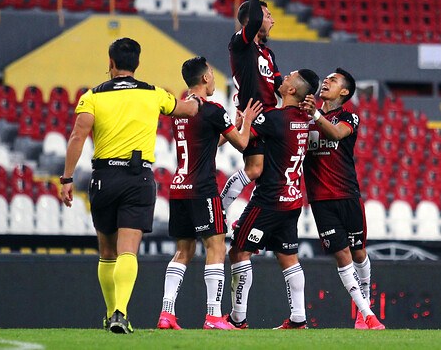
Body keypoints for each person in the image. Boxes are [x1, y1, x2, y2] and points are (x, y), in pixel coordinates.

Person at [59, 37, 201, 334]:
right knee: (127, 251)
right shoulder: (153, 93)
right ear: (136, 64)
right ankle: (121, 313)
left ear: (111, 63)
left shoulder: (93, 96)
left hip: (104, 178)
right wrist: (199, 95)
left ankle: (111, 312)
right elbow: (188, 111)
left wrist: (68, 178)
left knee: (107, 251)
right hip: (138, 179)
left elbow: (77, 136)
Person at [156, 56, 262, 330]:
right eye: (212, 74)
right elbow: (242, 143)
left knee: (183, 251)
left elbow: (205, 142)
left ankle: (166, 313)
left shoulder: (180, 110)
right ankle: (214, 316)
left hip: (178, 188)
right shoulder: (214, 109)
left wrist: (231, 128)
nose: (214, 79)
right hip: (203, 188)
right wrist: (246, 122)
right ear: (204, 78)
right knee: (215, 247)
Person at [225, 68, 320, 330]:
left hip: (269, 201)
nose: (283, 78)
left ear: (291, 91)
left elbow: (241, 142)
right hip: (292, 200)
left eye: (289, 77)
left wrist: (243, 120)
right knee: (288, 257)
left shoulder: (274, 118)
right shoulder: (303, 118)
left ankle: (237, 319)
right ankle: (299, 318)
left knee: (238, 251)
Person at [301, 68, 385, 330]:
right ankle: (366, 314)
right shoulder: (304, 119)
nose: (326, 81)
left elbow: (336, 134)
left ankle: (365, 306)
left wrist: (314, 113)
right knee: (342, 254)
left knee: (359, 252)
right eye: (325, 79)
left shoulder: (349, 116)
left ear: (345, 91)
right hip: (320, 199)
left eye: (333, 80)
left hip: (348, 194)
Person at [219, 0, 282, 211]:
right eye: (268, 16)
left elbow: (279, 85)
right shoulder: (240, 43)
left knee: (261, 171)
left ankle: (254, 213)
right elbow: (254, 17)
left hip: (269, 115)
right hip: (254, 115)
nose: (272, 21)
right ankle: (220, 207)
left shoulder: (267, 53)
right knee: (253, 168)